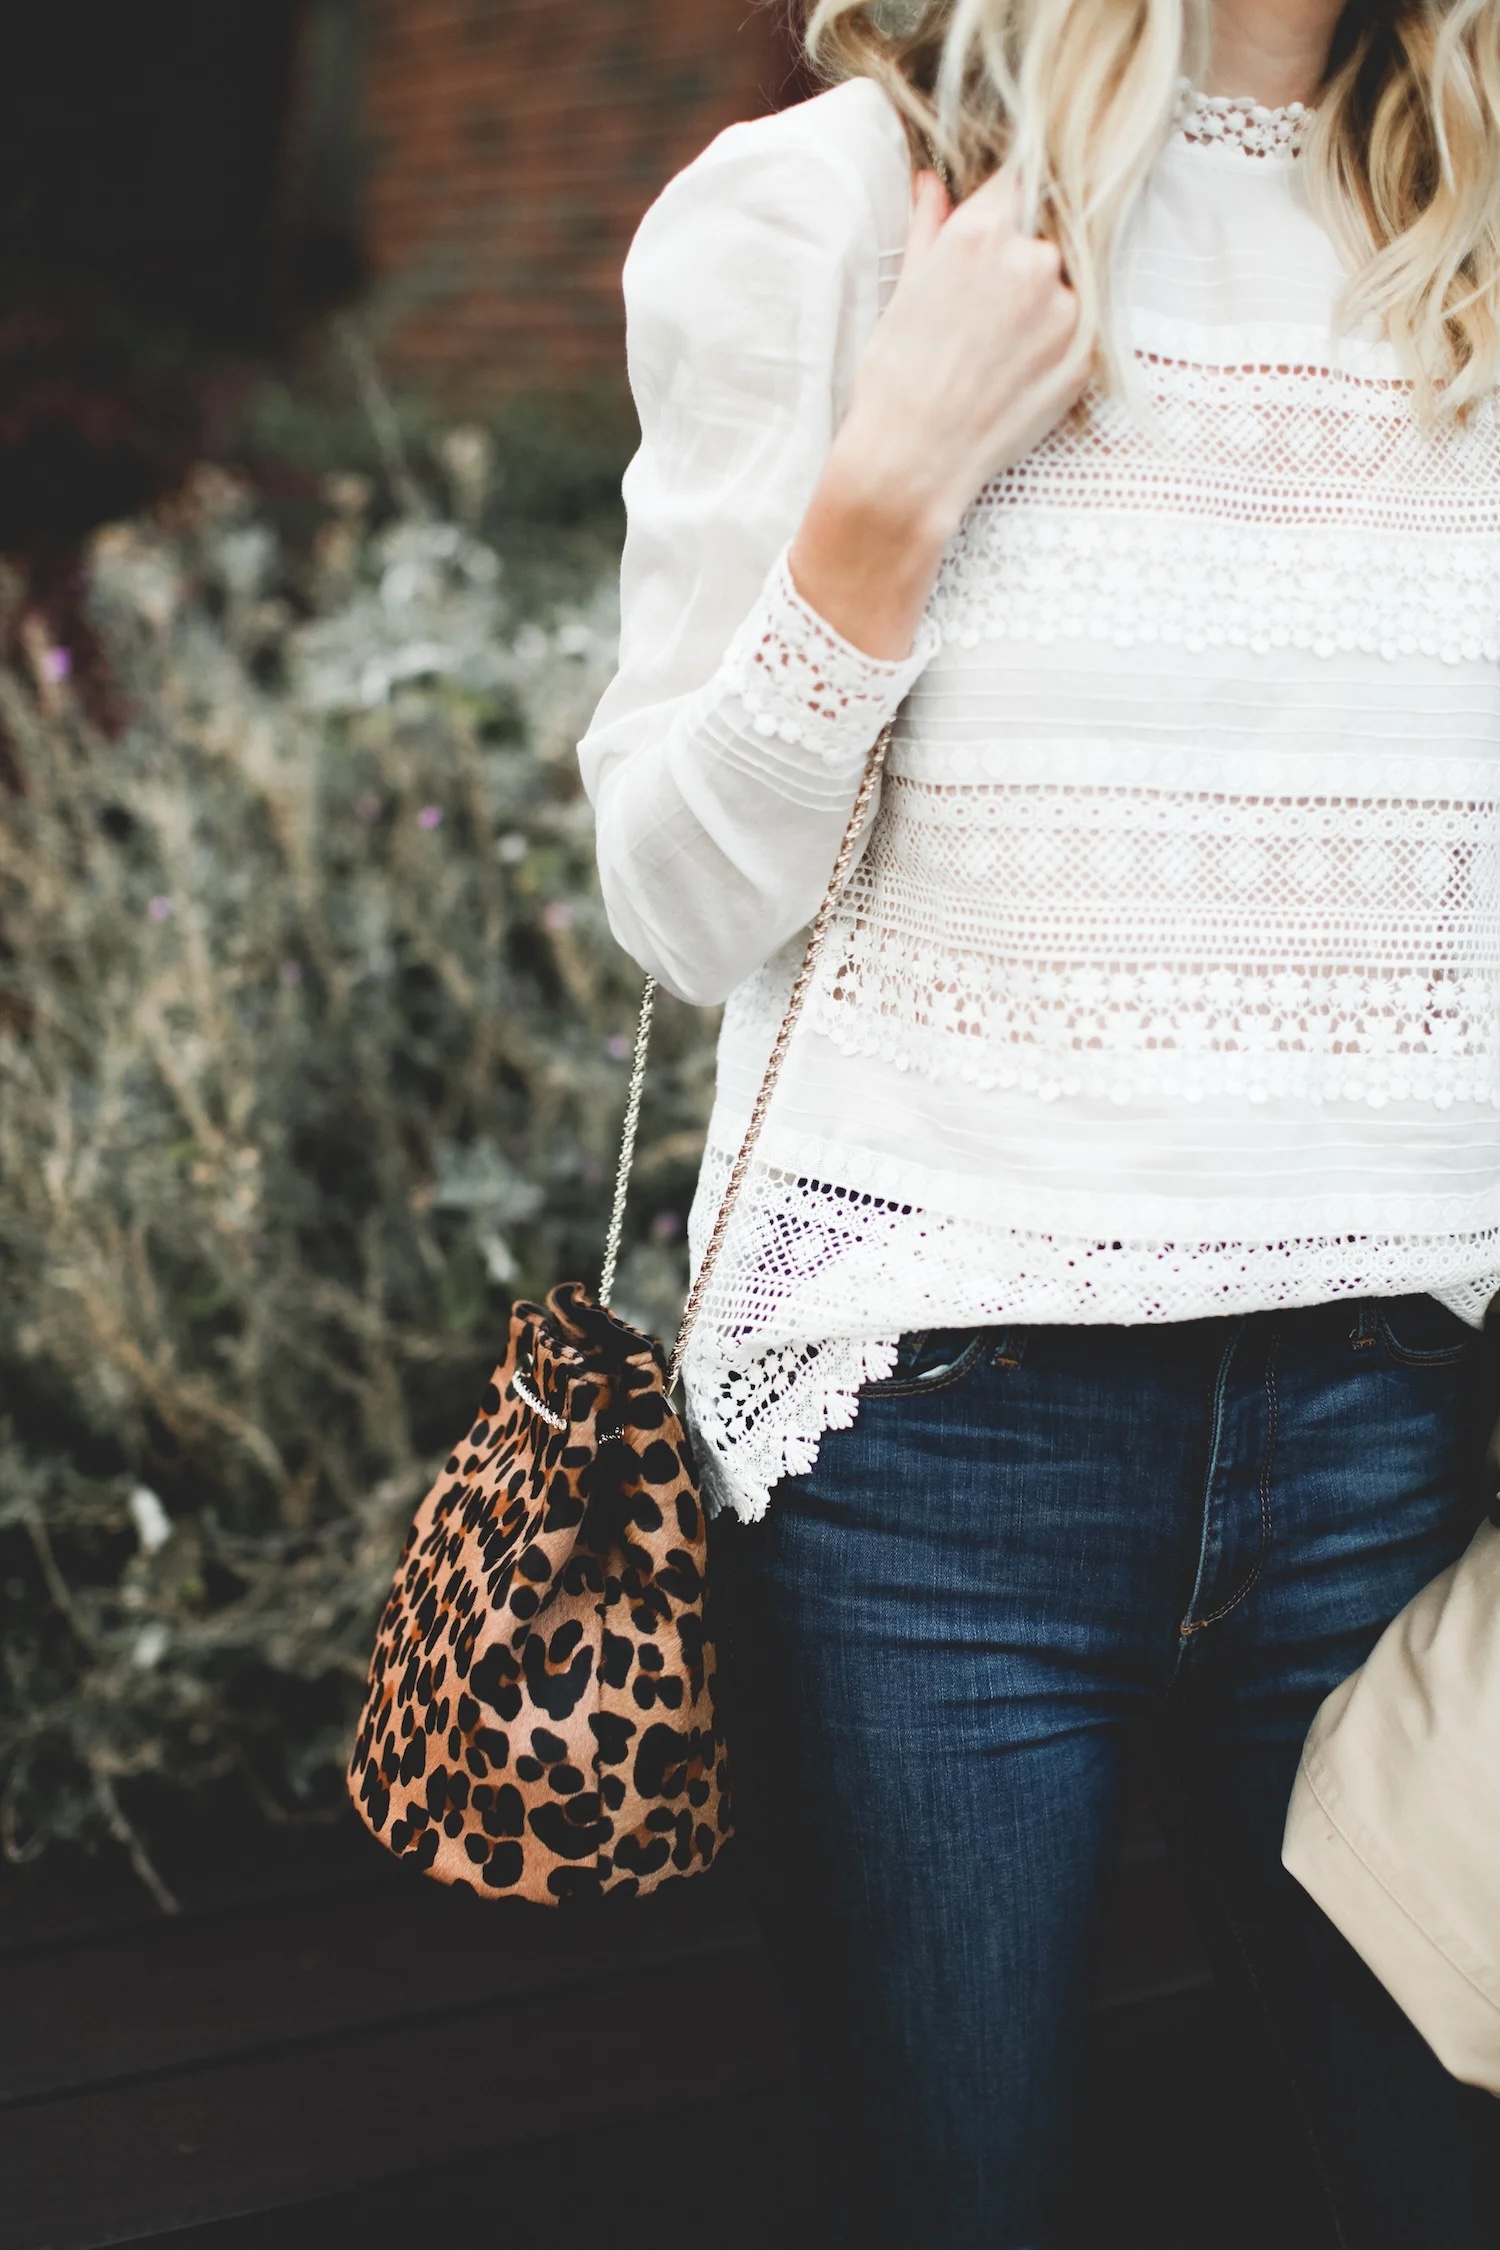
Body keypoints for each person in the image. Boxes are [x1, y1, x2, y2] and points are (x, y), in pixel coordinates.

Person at [578, 2, 1500, 2241]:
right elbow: (681, 906)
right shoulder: (835, 208)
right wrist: (890, 487)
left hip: (1396, 1438)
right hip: (928, 1464)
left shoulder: (1468, 232)